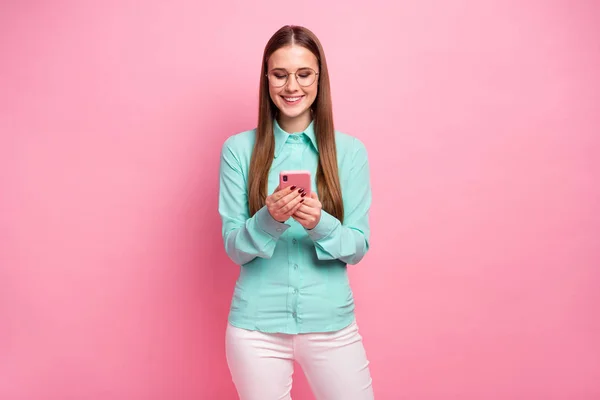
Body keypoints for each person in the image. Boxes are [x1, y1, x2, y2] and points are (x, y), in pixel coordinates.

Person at [218, 25, 374, 400]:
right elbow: (234, 248)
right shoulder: (238, 150)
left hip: (332, 325)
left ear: (319, 78)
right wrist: (269, 219)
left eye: (304, 74)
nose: (292, 86)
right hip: (256, 330)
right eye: (280, 74)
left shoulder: (349, 152)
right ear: (266, 79)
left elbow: (357, 246)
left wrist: (320, 223)